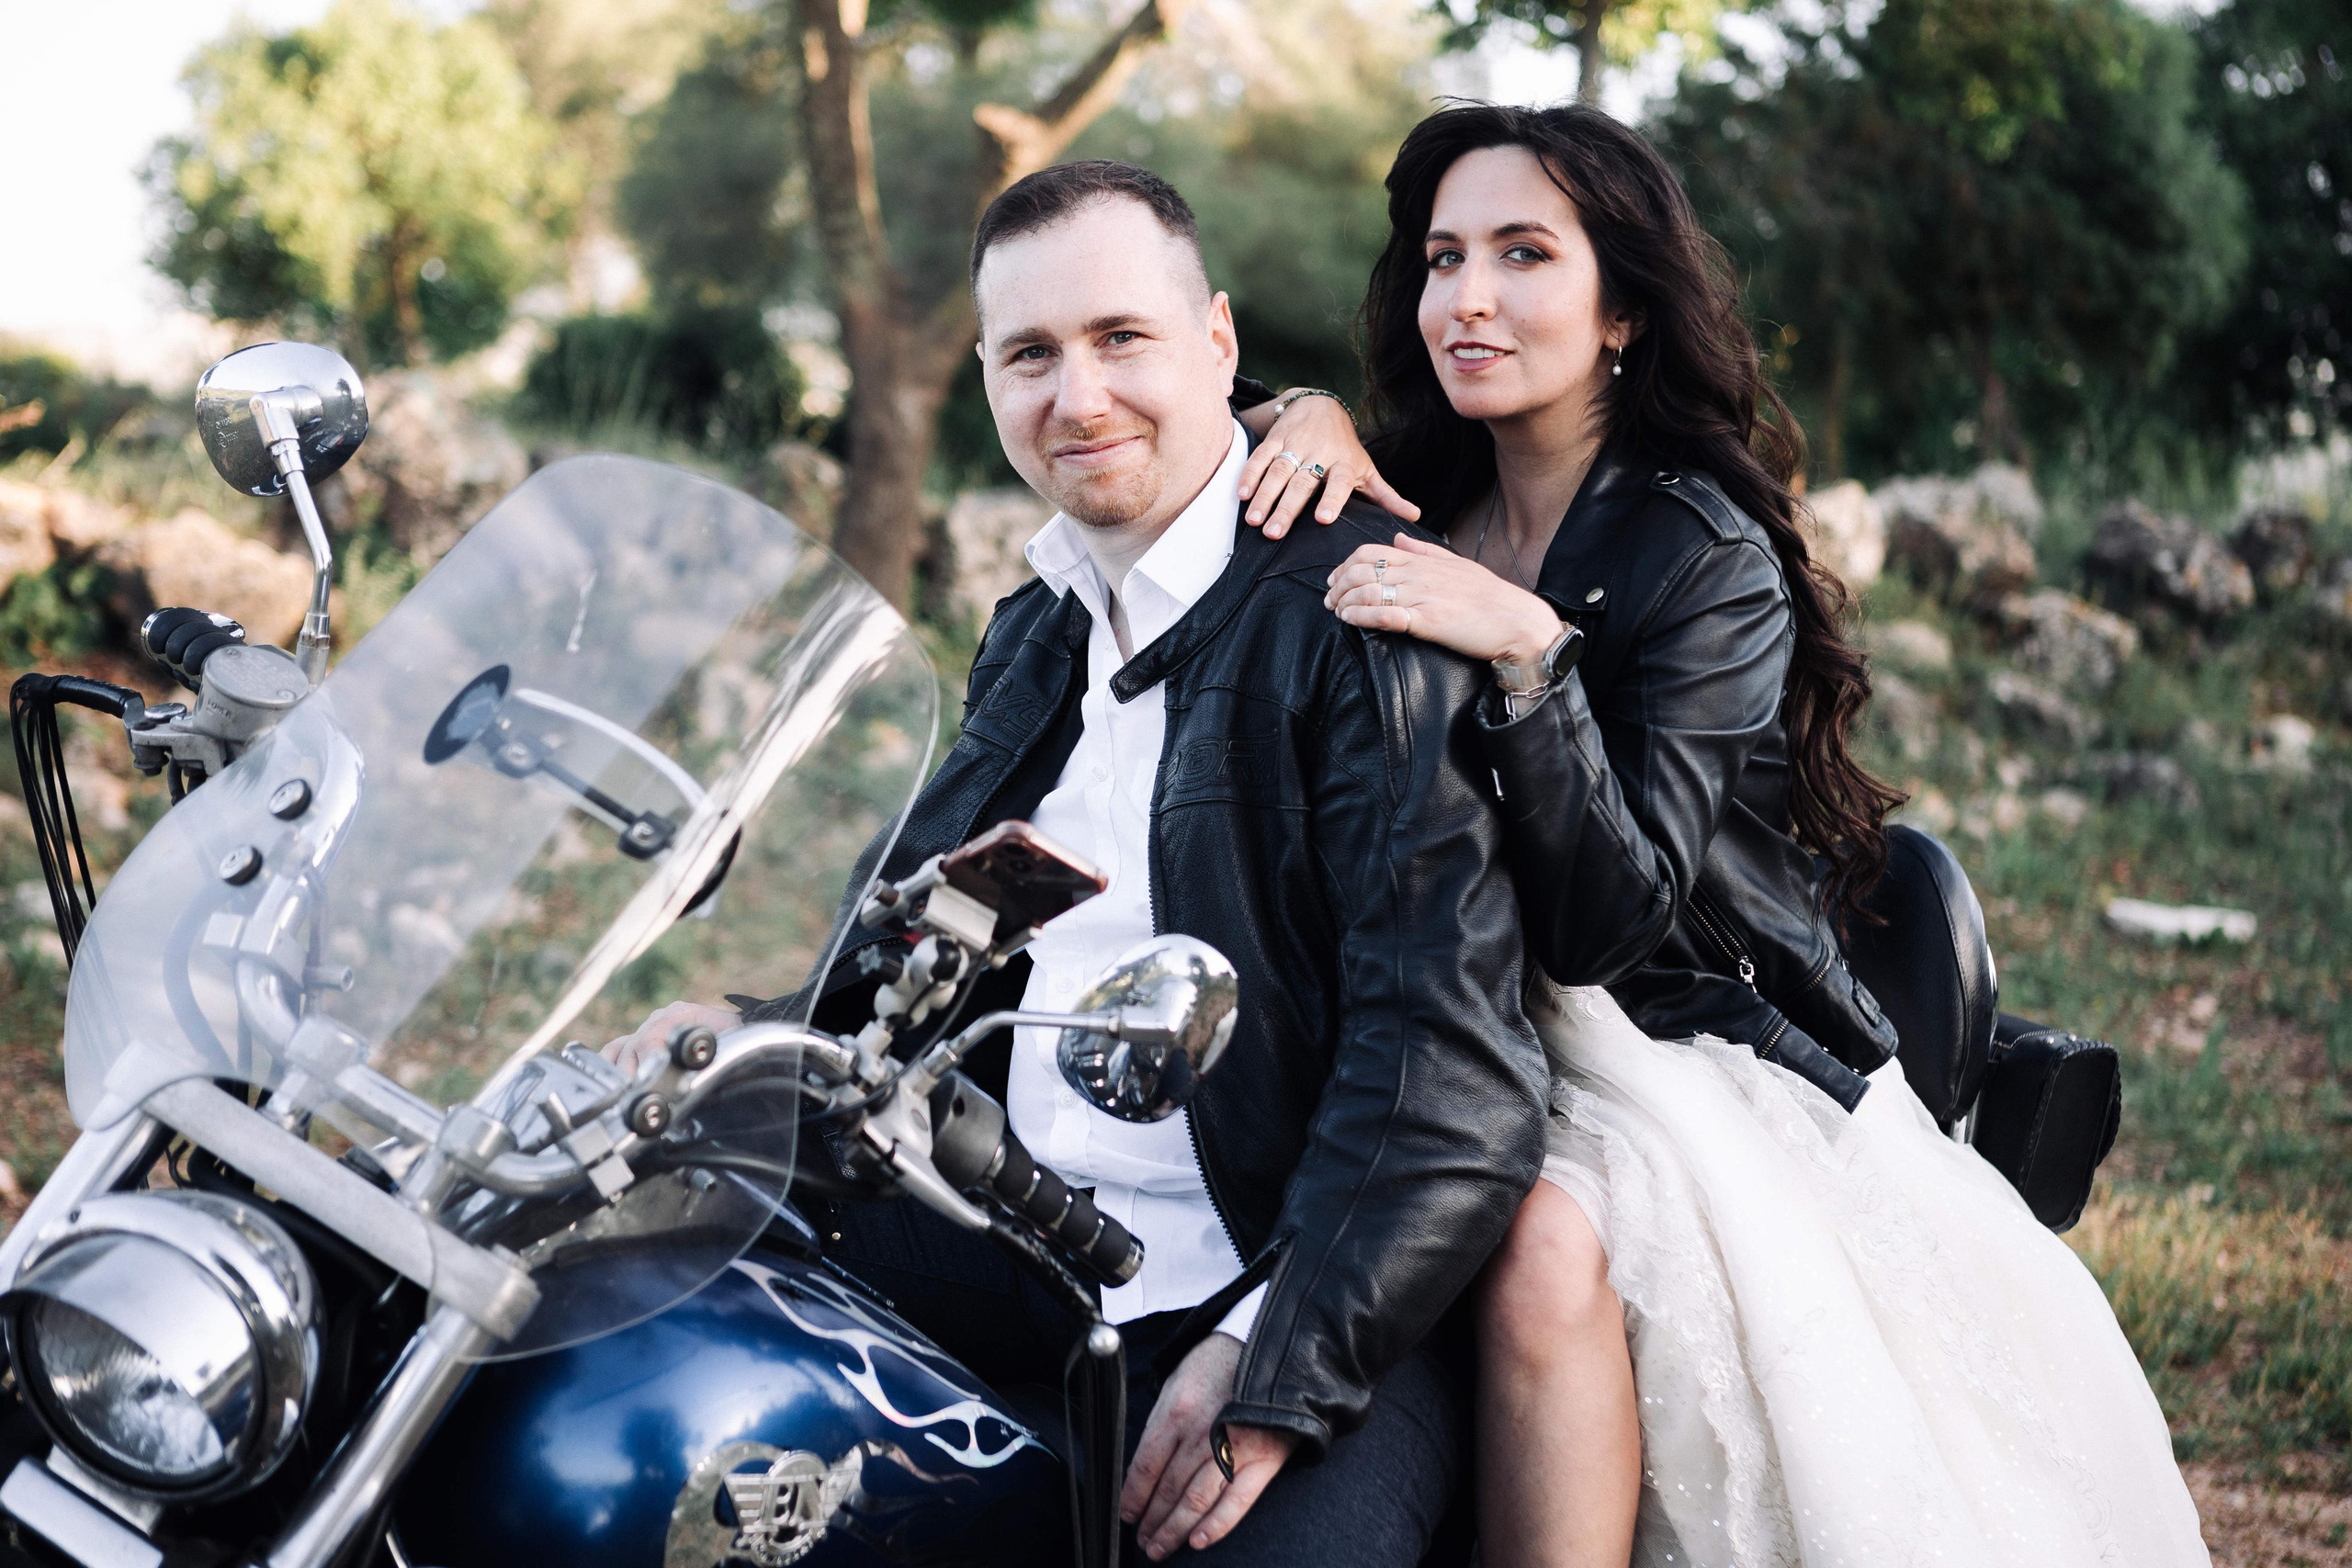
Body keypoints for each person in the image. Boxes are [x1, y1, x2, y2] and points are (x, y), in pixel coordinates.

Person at [1236, 103, 2211, 1568]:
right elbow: (1159, 401)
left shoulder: (1705, 555)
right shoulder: (1414, 491)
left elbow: (1611, 922)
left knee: (1542, 1240)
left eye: (1523, 254)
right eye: (1443, 259)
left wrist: (1532, 659)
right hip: (1444, 989)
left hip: (1672, 1032)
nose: (1470, 297)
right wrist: (1295, 409)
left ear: (1622, 310)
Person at [611, 159, 1547, 1564]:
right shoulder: (1038, 624)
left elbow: (1449, 1075)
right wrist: (750, 1036)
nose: (1079, 396)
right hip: (1016, 1234)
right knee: (638, 1395)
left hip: (1285, 1277)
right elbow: (943, 926)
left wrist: (1271, 1355)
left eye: (1121, 338)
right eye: (1031, 355)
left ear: (1218, 342)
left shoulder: (1365, 621)